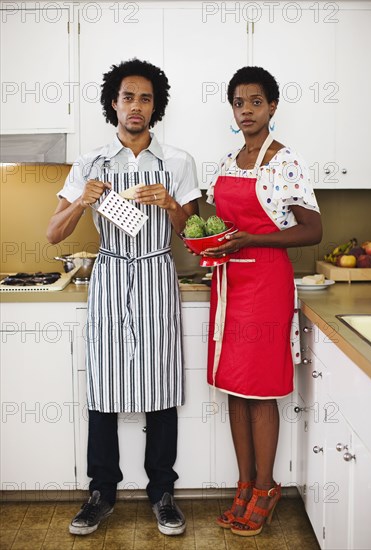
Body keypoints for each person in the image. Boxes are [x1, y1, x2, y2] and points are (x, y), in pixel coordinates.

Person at [46, 58, 201, 536]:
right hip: (110, 275)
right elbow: (54, 234)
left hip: (157, 272)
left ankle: (163, 492)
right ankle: (101, 491)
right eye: (128, 97)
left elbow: (195, 237)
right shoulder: (89, 162)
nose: (136, 106)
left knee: (161, 384)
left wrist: (172, 205)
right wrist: (81, 200)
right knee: (104, 386)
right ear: (113, 102)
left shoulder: (178, 161)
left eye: (146, 98)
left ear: (157, 107)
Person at [203, 66, 322, 537]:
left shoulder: (284, 161)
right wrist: (213, 241)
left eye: (256, 101)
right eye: (239, 102)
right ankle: (245, 483)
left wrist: (250, 239)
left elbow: (313, 230)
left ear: (272, 106)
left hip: (266, 286)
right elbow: (218, 221)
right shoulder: (230, 160)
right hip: (228, 281)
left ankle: (267, 486)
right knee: (233, 387)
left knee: (259, 390)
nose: (246, 110)